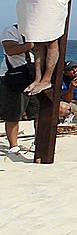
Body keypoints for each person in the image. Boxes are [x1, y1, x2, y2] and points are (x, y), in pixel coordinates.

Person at [1, 23, 38, 155]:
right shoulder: (11, 30)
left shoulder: (39, 30)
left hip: (33, 75)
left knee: (38, 111)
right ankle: (13, 145)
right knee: (13, 112)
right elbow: (10, 50)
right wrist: (30, 45)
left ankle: (38, 141)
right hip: (14, 75)